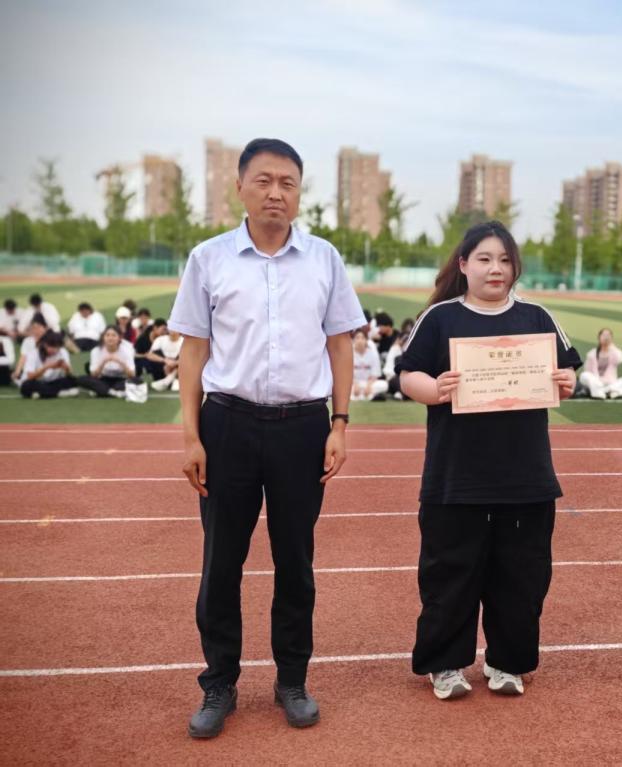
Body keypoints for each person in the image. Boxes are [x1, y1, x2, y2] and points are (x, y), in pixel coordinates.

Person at [169, 138, 365, 738]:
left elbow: (340, 345)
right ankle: (218, 684)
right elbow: (193, 351)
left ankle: (292, 681)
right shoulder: (209, 259)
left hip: (303, 428)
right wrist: (191, 436)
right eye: (264, 180)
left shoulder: (324, 259)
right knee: (221, 563)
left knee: (295, 562)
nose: (276, 192)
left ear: (300, 192)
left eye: (288, 183)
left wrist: (340, 423)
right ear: (240, 188)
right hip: (227, 424)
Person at [397, 220, 581, 701]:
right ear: (463, 265)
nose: (495, 268)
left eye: (504, 260)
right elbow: (408, 374)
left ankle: (507, 662)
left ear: (514, 267)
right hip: (455, 477)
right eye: (484, 259)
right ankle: (444, 665)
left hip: (526, 478)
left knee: (522, 579)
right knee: (449, 577)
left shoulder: (536, 317)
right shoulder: (440, 318)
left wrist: (566, 382)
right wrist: (434, 389)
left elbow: (567, 373)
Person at [78, 326, 140, 398]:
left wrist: (120, 362)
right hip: (102, 379)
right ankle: (111, 392)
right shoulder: (96, 351)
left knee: (137, 380)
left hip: (120, 379)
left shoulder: (127, 350)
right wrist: (103, 362)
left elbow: (132, 375)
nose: (110, 338)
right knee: (81, 379)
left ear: (119, 338)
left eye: (114, 335)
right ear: (103, 337)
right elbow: (93, 375)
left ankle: (102, 391)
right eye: (107, 335)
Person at [19, 330, 78, 399]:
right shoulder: (34, 353)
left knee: (72, 380)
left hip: (53, 381)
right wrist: (46, 367)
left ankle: (42, 394)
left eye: (58, 347)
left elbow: (69, 374)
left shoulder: (63, 352)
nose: (55, 350)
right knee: (26, 386)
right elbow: (30, 376)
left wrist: (66, 368)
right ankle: (57, 393)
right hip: (37, 382)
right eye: (52, 347)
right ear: (45, 344)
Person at [579, 328, 622, 399]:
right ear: (599, 338)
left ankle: (606, 391)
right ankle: (609, 392)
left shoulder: (614, 352)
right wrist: (599, 380)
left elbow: (620, 359)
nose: (606, 337)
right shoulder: (592, 353)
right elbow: (588, 371)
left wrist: (612, 346)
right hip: (595, 382)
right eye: (604, 335)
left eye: (608, 335)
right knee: (584, 375)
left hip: (609, 382)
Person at [351, 328, 387, 400]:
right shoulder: (349, 354)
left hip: (369, 383)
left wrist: (368, 386)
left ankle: (359, 395)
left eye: (362, 338)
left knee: (384, 385)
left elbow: (375, 374)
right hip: (353, 383)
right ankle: (367, 395)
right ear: (353, 340)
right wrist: (355, 384)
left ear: (366, 340)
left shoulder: (373, 354)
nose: (360, 340)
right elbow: (346, 374)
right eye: (357, 338)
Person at [12, 314, 47, 386]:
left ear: (45, 328)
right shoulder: (28, 341)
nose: (36, 331)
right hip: (31, 371)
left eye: (38, 327)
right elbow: (23, 357)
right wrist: (17, 371)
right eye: (34, 328)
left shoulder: (50, 340)